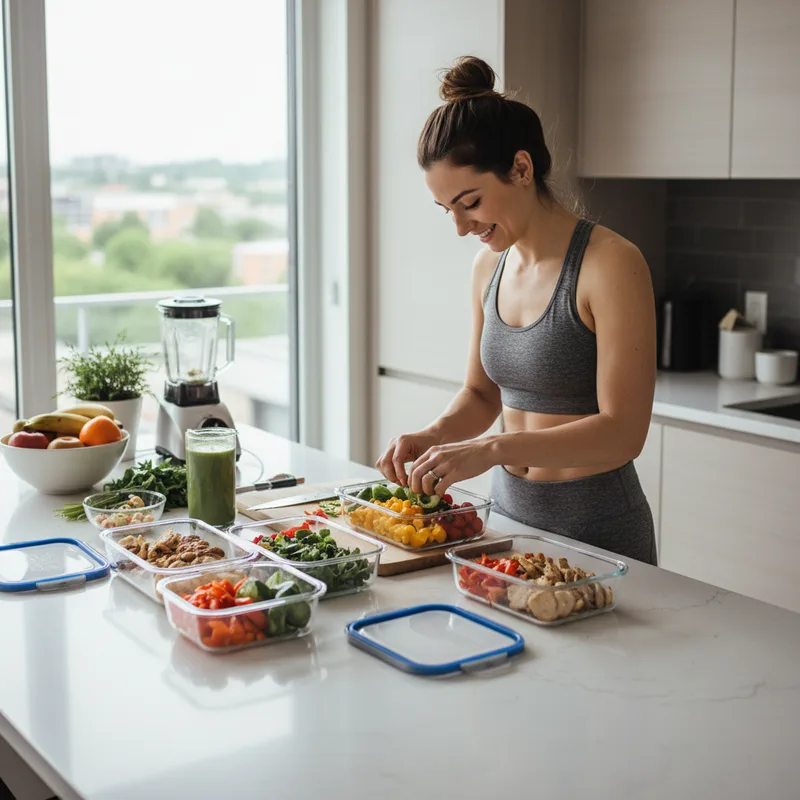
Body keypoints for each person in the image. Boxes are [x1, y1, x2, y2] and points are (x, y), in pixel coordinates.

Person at [375, 56, 658, 565]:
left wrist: (492, 450)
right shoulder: (489, 267)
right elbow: (482, 394)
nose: (462, 227)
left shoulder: (611, 264)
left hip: (597, 530)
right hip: (506, 523)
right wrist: (433, 437)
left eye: (470, 202)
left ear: (521, 169)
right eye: (449, 211)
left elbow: (624, 432)